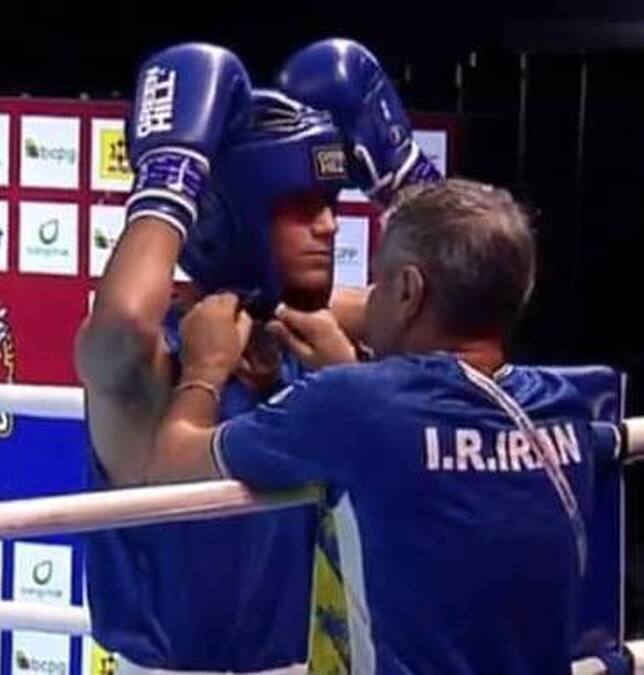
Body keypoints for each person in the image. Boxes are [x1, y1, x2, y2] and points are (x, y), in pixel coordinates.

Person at [134, 178, 620, 675]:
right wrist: (340, 359)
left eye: (378, 283)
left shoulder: (357, 404)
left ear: (408, 290)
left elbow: (171, 463)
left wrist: (205, 368)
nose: (369, 299)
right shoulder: (566, 408)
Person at [75, 40, 439, 673]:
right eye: (300, 208)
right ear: (228, 217)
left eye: (330, 203)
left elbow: (454, 298)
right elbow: (120, 325)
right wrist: (170, 178)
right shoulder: (154, 364)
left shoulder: (310, 328)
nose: (329, 226)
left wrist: (406, 181)